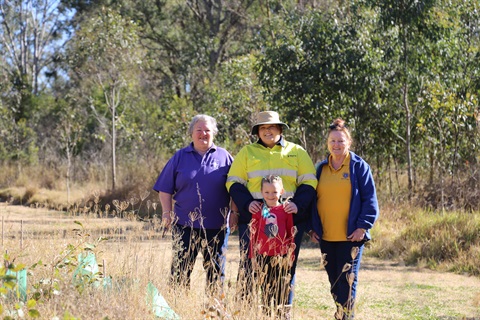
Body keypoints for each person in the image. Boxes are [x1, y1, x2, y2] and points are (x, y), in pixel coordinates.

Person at [226, 110, 317, 309]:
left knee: (285, 269)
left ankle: (280, 312)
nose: (268, 131)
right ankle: (246, 312)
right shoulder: (247, 152)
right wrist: (246, 204)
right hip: (254, 220)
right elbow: (233, 181)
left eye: (272, 127)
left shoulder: (297, 151)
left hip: (288, 220)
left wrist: (297, 205)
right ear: (257, 132)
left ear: (280, 129)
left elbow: (310, 181)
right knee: (250, 268)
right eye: (263, 128)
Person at [153, 114, 235, 294]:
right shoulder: (180, 157)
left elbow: (236, 189)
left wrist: (235, 213)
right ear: (191, 133)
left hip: (217, 226)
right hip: (184, 225)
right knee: (180, 269)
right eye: (199, 130)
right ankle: (178, 305)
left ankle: (215, 310)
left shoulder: (225, 157)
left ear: (213, 133)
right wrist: (167, 213)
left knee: (216, 271)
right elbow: (165, 188)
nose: (203, 134)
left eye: (207, 130)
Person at [310, 118, 379, 320]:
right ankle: (341, 314)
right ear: (327, 143)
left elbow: (370, 199)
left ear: (349, 142)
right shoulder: (321, 168)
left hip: (351, 237)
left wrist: (362, 227)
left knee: (347, 281)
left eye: (341, 141)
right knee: (334, 281)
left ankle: (346, 317)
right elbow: (314, 200)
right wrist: (313, 227)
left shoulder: (359, 167)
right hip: (326, 237)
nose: (336, 145)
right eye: (332, 141)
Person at [249, 175, 296, 318]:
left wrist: (290, 256)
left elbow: (290, 233)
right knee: (266, 290)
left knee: (281, 290)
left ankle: (281, 316)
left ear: (281, 191)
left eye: (274, 192)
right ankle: (266, 315)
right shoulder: (258, 211)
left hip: (281, 257)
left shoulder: (285, 210)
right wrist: (253, 256)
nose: (271, 195)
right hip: (263, 257)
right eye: (267, 192)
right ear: (261, 192)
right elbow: (253, 234)